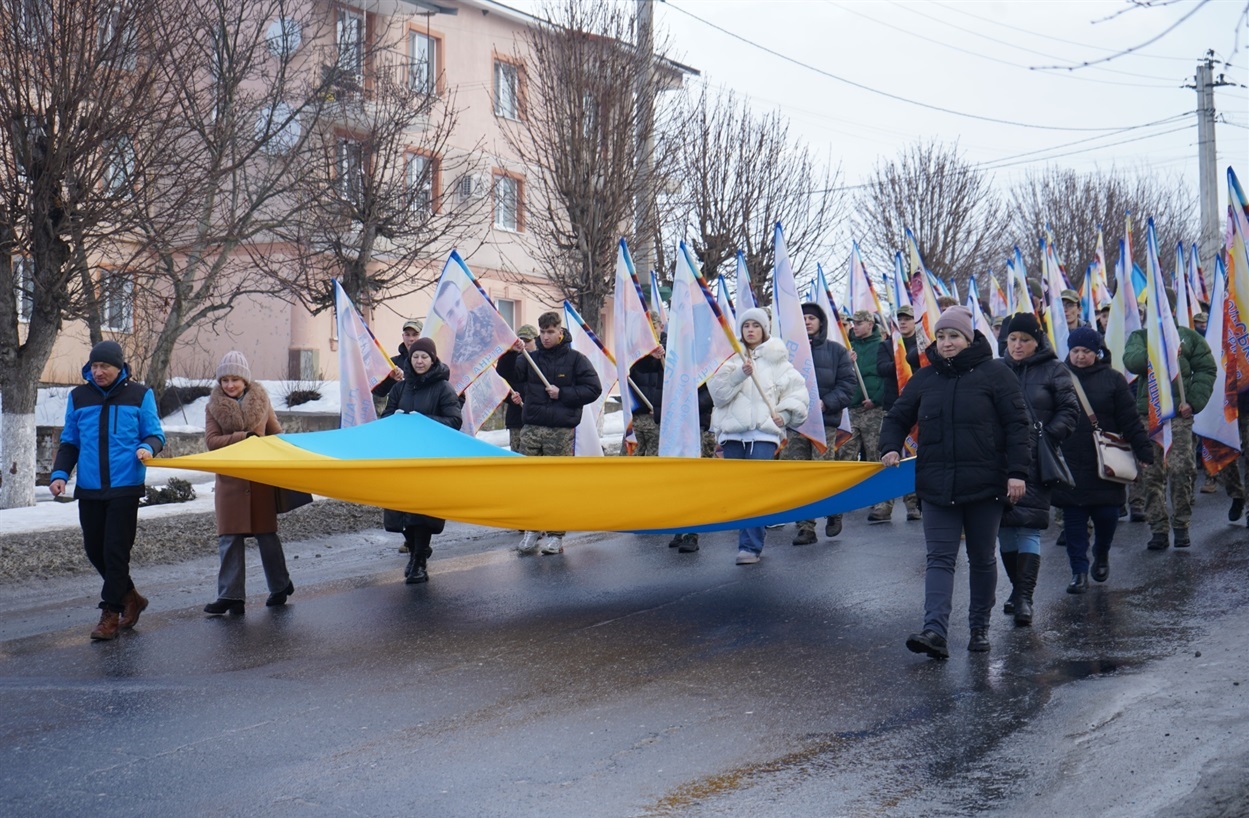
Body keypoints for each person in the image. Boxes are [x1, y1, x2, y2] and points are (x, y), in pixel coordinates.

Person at [879, 307, 1030, 658]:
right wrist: (889, 446)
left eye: (954, 336)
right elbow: (898, 416)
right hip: (936, 485)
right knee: (940, 558)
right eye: (942, 336)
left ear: (969, 338)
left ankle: (979, 627)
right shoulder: (925, 378)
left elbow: (1017, 426)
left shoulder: (997, 374)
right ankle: (935, 632)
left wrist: (1017, 472)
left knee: (981, 558)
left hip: (985, 486)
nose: (946, 343)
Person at [49, 341, 166, 641]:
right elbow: (70, 441)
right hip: (89, 487)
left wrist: (146, 447)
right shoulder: (79, 396)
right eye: (95, 367)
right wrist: (61, 473)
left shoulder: (140, 395)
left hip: (125, 485)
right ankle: (132, 598)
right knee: (94, 549)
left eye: (105, 367)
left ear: (119, 368)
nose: (98, 372)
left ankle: (110, 614)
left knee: (115, 551)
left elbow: (155, 434)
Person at [1053, 328, 1154, 593]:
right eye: (1075, 351)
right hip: (1070, 458)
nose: (1079, 356)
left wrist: (1143, 449)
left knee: (1107, 516)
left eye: (1086, 351)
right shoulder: (1057, 377)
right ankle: (1078, 571)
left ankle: (1101, 552)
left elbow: (1129, 418)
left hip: (1106, 460)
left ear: (1096, 352)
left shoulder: (1113, 379)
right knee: (1073, 519)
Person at [709, 307, 810, 565]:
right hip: (733, 434)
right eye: (746, 326)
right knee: (739, 492)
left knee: (755, 489)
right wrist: (739, 374)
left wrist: (785, 416)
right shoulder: (730, 359)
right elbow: (718, 396)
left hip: (763, 434)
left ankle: (750, 547)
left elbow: (798, 394)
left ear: (764, 329)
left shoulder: (779, 361)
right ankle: (753, 532)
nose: (750, 330)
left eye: (756, 325)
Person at [996, 312, 1079, 624]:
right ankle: (1018, 590)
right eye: (1013, 339)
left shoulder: (1054, 369)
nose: (1018, 345)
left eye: (1025, 340)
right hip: (1001, 460)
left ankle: (1025, 599)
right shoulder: (995, 368)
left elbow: (1070, 411)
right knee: (1004, 527)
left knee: (1029, 526)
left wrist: (1045, 437)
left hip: (1036, 460)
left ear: (1037, 341)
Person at [202, 351, 293, 614]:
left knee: (267, 536)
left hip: (260, 478)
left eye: (235, 379)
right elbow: (211, 442)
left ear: (245, 380)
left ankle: (280, 585)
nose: (229, 385)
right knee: (229, 538)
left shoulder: (262, 402)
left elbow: (276, 435)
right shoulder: (212, 407)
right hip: (230, 480)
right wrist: (244, 437)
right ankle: (231, 596)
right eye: (225, 380)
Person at [1123, 303, 1216, 549]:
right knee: (1151, 474)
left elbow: (1206, 369)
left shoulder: (1188, 337)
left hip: (1178, 416)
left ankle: (1181, 524)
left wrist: (1193, 402)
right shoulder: (1139, 337)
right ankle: (1159, 528)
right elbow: (1131, 362)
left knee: (1181, 469)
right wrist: (1156, 349)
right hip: (1149, 416)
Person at [512, 311, 603, 556]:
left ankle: (555, 535)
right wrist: (513, 351)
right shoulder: (531, 359)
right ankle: (532, 530)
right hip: (532, 428)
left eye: (550, 331)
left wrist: (562, 393)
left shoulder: (575, 360)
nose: (546, 336)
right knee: (529, 482)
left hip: (560, 431)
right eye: (542, 332)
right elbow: (510, 374)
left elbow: (593, 389)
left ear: (560, 332)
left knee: (556, 483)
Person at [381, 338, 463, 583]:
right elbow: (385, 416)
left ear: (433, 359)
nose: (419, 361)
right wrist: (392, 417)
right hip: (402, 456)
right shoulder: (400, 388)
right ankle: (416, 550)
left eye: (424, 357)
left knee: (422, 511)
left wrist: (425, 420)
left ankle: (419, 561)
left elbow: (455, 421)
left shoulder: (443, 388)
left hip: (430, 458)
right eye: (415, 357)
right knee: (402, 509)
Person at [781, 302, 856, 544]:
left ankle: (833, 510)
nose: (807, 321)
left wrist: (826, 403)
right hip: (795, 422)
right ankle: (806, 527)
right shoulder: (786, 352)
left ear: (820, 322)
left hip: (824, 423)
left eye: (811, 317)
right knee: (798, 476)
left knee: (822, 473)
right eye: (802, 317)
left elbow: (847, 386)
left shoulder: (836, 351)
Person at [374, 318, 422, 551]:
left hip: (419, 433)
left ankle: (418, 536)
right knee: (398, 486)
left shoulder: (427, 361)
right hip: (398, 431)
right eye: (407, 334)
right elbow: (378, 391)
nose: (410, 339)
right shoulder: (392, 362)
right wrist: (389, 378)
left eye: (414, 335)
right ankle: (406, 534)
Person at [837, 310, 889, 524]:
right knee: (846, 454)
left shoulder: (882, 346)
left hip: (873, 409)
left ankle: (883, 502)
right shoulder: (849, 347)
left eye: (859, 323)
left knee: (876, 454)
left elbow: (888, 377)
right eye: (853, 323)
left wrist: (876, 399)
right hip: (852, 408)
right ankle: (849, 496)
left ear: (870, 324)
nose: (855, 326)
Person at [877, 306, 923, 523]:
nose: (904, 323)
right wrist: (899, 362)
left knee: (913, 456)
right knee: (891, 455)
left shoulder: (922, 344)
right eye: (900, 319)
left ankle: (913, 503)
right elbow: (881, 368)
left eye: (908, 319)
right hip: (894, 405)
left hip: (918, 407)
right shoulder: (888, 345)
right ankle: (885, 503)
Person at [495, 324, 539, 454]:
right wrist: (512, 398)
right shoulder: (514, 360)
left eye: (528, 341)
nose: (524, 344)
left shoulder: (542, 360)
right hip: (517, 419)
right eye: (521, 341)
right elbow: (503, 381)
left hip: (539, 419)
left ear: (536, 340)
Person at [627, 316, 666, 457]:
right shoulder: (635, 351)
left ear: (661, 327)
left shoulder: (670, 348)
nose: (651, 333)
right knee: (630, 460)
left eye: (654, 328)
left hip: (657, 417)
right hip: (637, 416)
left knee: (655, 460)